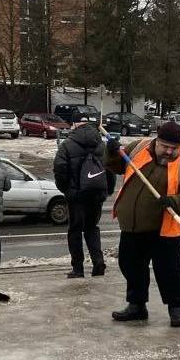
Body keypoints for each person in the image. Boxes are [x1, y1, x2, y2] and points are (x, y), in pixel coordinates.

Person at [104, 121, 180, 327]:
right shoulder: (138, 147)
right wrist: (111, 152)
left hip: (164, 229)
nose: (169, 151)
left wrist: (173, 201)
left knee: (169, 271)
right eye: (165, 146)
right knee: (131, 266)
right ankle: (137, 306)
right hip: (133, 226)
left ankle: (176, 309)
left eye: (174, 148)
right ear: (156, 140)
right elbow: (116, 166)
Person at [53, 119, 114, 278]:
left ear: (74, 125)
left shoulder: (67, 144)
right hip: (96, 195)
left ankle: (78, 268)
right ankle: (98, 262)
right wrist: (107, 190)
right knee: (92, 228)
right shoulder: (101, 144)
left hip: (76, 196)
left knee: (75, 231)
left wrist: (66, 189)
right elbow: (110, 168)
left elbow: (60, 169)